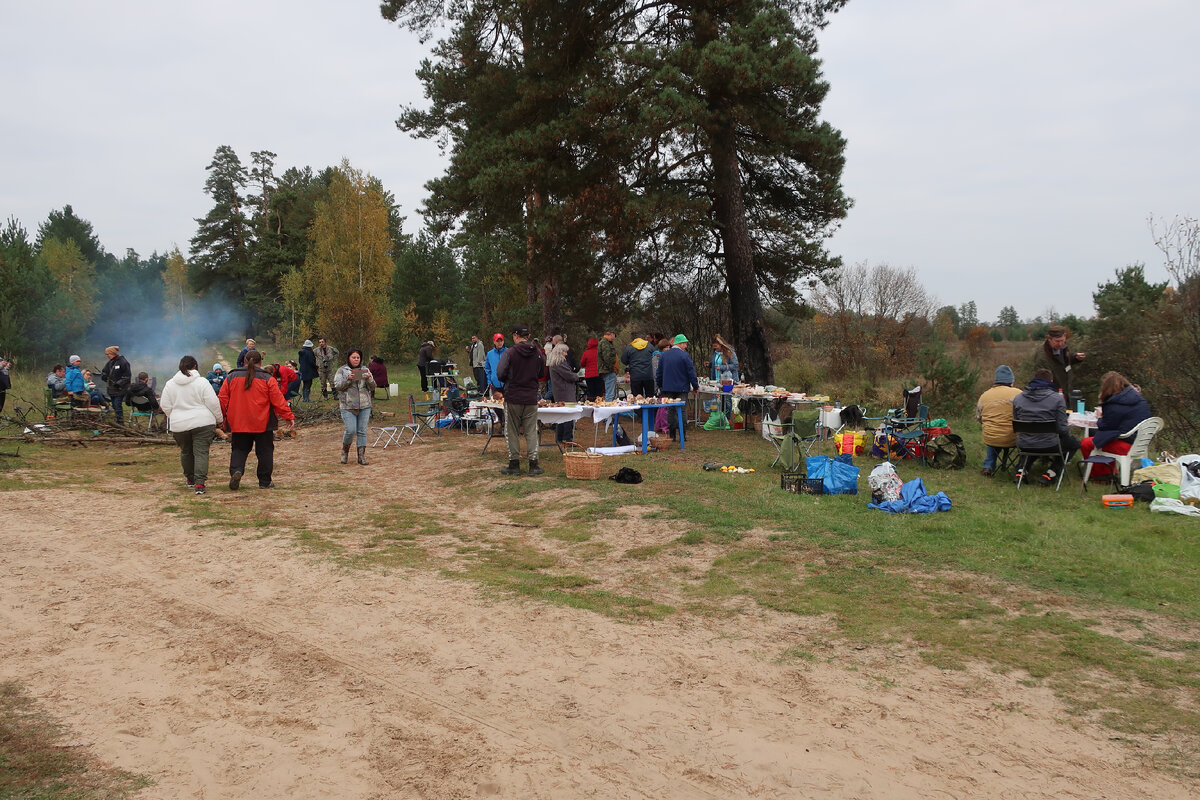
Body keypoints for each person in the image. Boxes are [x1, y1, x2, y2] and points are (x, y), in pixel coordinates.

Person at [218, 349, 295, 490]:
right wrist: (288, 416)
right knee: (265, 451)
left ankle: (237, 471)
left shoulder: (231, 377)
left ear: (244, 361)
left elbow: (222, 399)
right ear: (261, 362)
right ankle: (264, 481)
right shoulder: (268, 379)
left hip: (238, 422)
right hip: (263, 422)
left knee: (239, 449)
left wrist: (219, 418)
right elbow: (278, 400)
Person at [160, 355, 224, 495]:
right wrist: (219, 419)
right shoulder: (202, 382)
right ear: (195, 366)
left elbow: (164, 405)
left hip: (179, 425)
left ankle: (190, 479)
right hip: (203, 423)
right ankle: (199, 484)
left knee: (186, 451)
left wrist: (175, 416)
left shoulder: (170, 384)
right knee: (201, 452)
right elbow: (213, 403)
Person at [1012, 367, 1080, 486]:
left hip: (1024, 443)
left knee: (1033, 442)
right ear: (1051, 381)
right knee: (1073, 444)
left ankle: (1021, 471)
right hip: (1049, 444)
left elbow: (1017, 420)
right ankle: (1051, 473)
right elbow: (1063, 429)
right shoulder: (1057, 399)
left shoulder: (1018, 398)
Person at [1079, 371, 1152, 479]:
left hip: (1126, 445)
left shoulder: (1114, 403)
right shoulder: (1139, 399)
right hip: (1140, 443)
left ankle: (1101, 476)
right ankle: (1110, 471)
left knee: (1087, 443)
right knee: (1104, 438)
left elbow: (1105, 426)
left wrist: (1100, 417)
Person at [496, 324, 546, 476]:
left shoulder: (510, 353)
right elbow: (542, 373)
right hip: (531, 397)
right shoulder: (537, 353)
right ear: (528, 336)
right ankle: (533, 464)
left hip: (513, 396)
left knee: (511, 431)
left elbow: (500, 373)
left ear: (515, 336)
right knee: (531, 431)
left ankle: (514, 464)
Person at [975, 365, 1022, 477]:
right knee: (1015, 434)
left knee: (994, 434)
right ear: (1011, 381)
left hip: (990, 438)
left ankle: (988, 466)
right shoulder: (1018, 394)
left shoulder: (984, 396)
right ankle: (1020, 467)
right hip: (1012, 438)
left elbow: (979, 418)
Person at [334, 348, 377, 465]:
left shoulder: (365, 369)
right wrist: (348, 379)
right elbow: (337, 386)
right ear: (349, 358)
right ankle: (345, 451)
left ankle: (361, 456)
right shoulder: (342, 370)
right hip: (348, 405)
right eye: (353, 357)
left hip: (364, 404)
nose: (356, 359)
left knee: (362, 431)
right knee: (351, 430)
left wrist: (369, 378)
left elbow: (373, 386)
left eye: (358, 357)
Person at [656, 333, 699, 441]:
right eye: (685, 344)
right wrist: (695, 386)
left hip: (668, 387)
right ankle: (683, 436)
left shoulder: (664, 355)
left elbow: (659, 373)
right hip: (682, 387)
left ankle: (672, 435)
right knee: (682, 411)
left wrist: (661, 385)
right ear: (680, 343)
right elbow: (691, 373)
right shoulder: (685, 356)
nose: (686, 346)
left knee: (670, 411)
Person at [1033, 325, 1085, 400]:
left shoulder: (1063, 348)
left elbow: (1063, 361)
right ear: (1049, 339)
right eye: (1057, 341)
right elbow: (1042, 382)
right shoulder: (1042, 357)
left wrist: (1075, 358)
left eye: (1062, 341)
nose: (1060, 344)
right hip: (1053, 396)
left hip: (1067, 391)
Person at [547, 342, 579, 444]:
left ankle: (559, 438)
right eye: (564, 351)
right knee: (569, 415)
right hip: (565, 392)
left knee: (561, 416)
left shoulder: (554, 363)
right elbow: (569, 375)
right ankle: (567, 438)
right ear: (560, 352)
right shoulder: (559, 363)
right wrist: (577, 377)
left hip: (559, 391)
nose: (566, 354)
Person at [100, 345, 132, 423]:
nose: (107, 356)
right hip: (112, 389)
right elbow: (104, 371)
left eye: (107, 354)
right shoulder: (110, 363)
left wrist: (119, 383)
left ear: (112, 353)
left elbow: (127, 376)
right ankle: (118, 420)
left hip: (120, 389)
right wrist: (104, 376)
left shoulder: (123, 362)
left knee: (117, 405)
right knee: (114, 405)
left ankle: (120, 422)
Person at [621, 333, 656, 397]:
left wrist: (631, 362)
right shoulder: (649, 346)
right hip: (648, 375)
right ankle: (650, 407)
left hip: (635, 376)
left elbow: (624, 360)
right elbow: (655, 356)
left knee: (637, 397)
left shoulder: (629, 347)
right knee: (650, 397)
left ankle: (639, 407)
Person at [485, 333, 507, 397]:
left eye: (501, 341)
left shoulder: (509, 352)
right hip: (495, 384)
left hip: (507, 385)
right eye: (497, 341)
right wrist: (489, 382)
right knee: (495, 404)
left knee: (508, 405)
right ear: (494, 341)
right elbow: (488, 369)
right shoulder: (489, 354)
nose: (499, 343)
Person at [598, 330, 618, 401]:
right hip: (608, 371)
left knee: (610, 393)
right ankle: (609, 410)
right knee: (610, 394)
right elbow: (607, 358)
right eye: (614, 336)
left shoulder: (603, 342)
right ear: (611, 334)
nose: (614, 338)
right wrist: (611, 368)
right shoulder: (605, 343)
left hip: (605, 370)